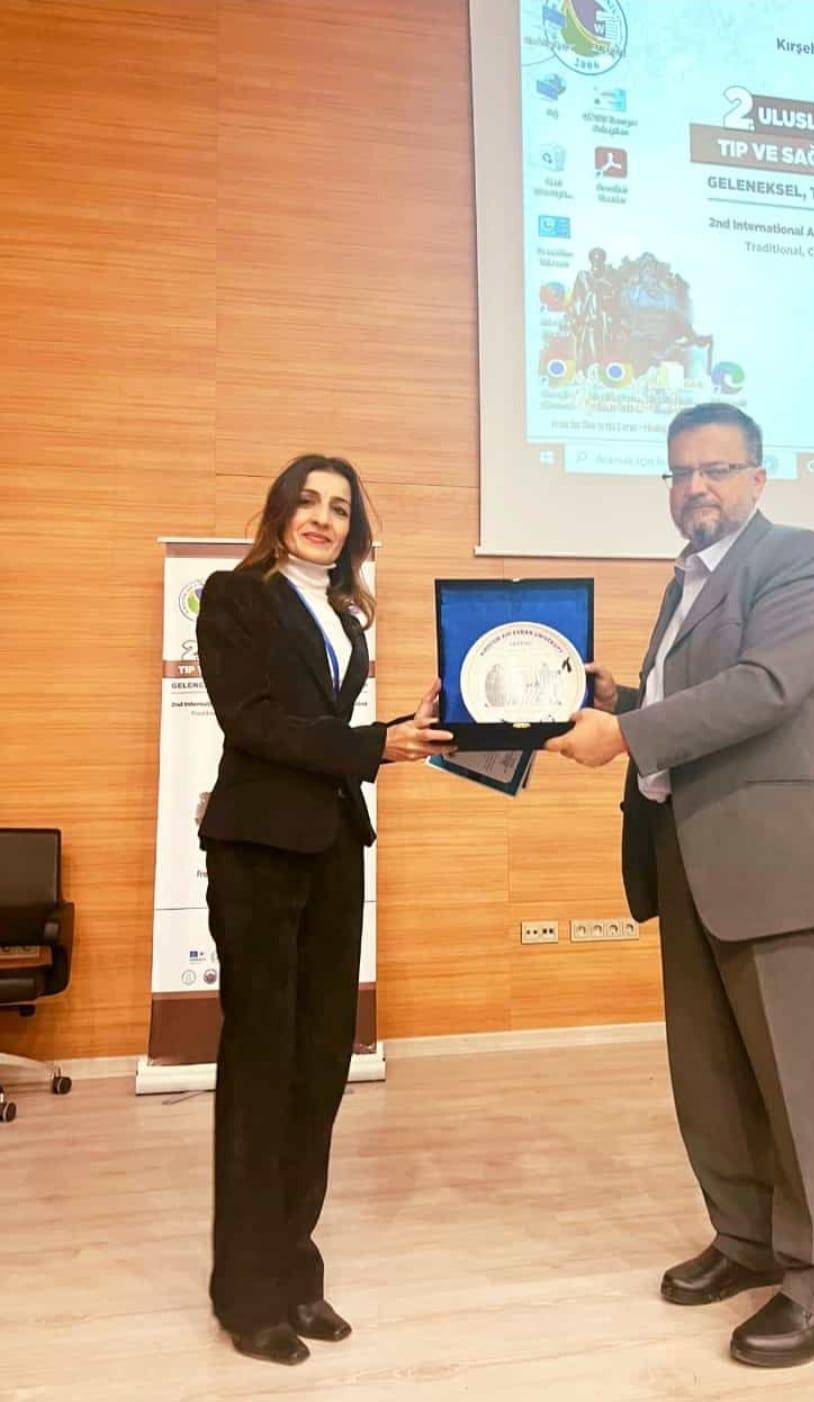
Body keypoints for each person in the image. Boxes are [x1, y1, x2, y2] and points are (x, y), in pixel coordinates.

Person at [546, 404, 814, 1370]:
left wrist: (626, 734)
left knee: (802, 1084)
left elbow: (766, 686)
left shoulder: (796, 559)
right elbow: (693, 695)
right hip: (690, 858)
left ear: (758, 479)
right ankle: (749, 1239)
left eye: (717, 469)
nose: (697, 487)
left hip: (776, 864)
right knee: (712, 1074)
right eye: (681, 472)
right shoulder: (685, 580)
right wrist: (622, 699)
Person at [196, 453, 454, 1366]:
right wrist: (373, 744)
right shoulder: (235, 596)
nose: (323, 517)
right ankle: (246, 1293)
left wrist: (410, 727)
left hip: (335, 848)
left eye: (340, 508)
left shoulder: (346, 614)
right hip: (258, 853)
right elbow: (253, 722)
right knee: (262, 1068)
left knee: (320, 1066)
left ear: (353, 530)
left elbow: (330, 729)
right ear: (279, 512)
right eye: (307, 501)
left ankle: (296, 1271)